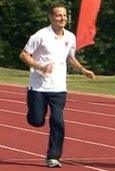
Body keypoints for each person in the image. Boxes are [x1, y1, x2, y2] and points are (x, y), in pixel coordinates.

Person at [19, 3, 95, 168]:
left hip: (59, 88)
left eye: (65, 16)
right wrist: (40, 67)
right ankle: (33, 112)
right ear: (51, 17)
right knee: (37, 121)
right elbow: (24, 55)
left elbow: (70, 58)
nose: (63, 19)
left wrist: (83, 70)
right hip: (38, 87)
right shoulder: (40, 35)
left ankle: (53, 156)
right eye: (59, 15)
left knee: (58, 121)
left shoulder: (70, 37)